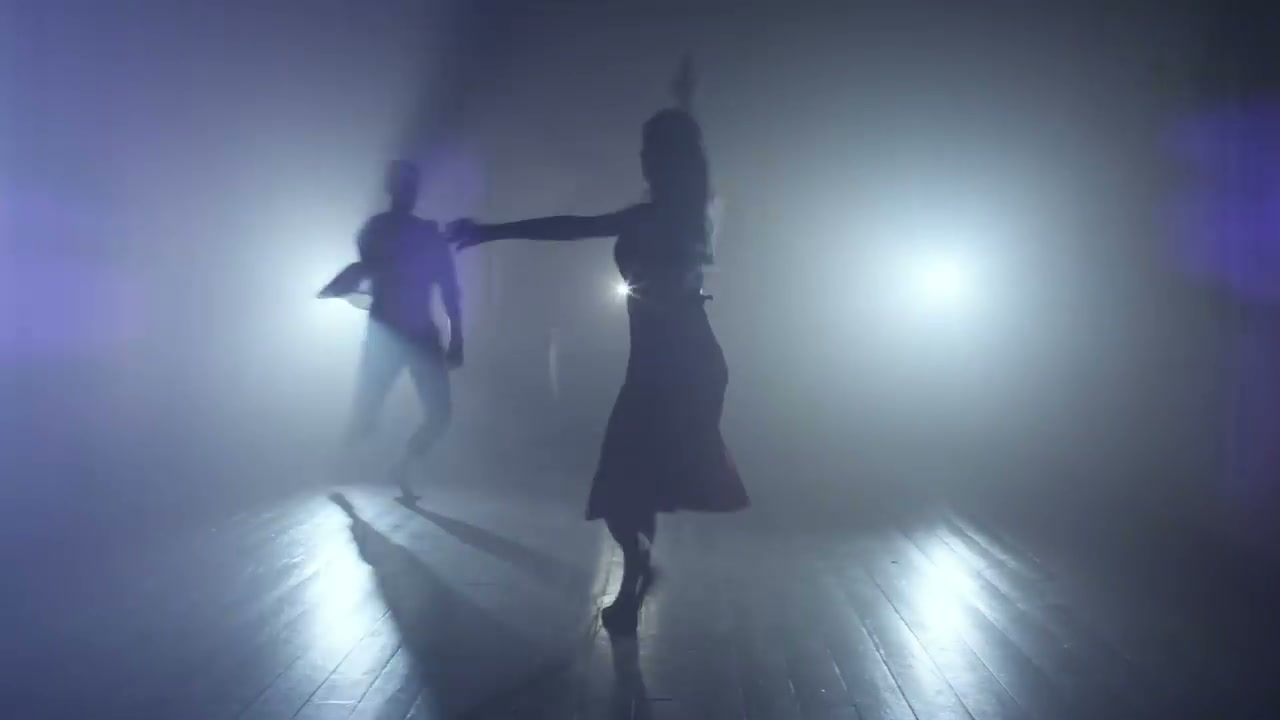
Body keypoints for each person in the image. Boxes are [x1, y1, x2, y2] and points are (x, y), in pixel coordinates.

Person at [448, 59, 748, 633]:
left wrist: (490, 231)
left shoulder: (676, 216)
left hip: (682, 368)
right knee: (628, 483)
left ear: (668, 161)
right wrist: (491, 232)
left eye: (652, 152)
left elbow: (580, 222)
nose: (644, 161)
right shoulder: (662, 214)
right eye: (645, 152)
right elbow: (570, 226)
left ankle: (635, 580)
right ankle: (636, 576)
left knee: (627, 482)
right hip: (662, 367)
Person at [325, 160, 463, 501]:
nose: (407, 191)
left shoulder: (399, 232)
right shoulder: (393, 231)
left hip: (405, 332)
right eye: (404, 184)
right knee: (369, 413)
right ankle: (339, 467)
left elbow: (448, 287)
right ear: (395, 188)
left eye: (410, 185)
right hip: (393, 332)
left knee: (437, 415)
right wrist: (456, 335)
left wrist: (457, 335)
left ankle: (392, 467)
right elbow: (445, 287)